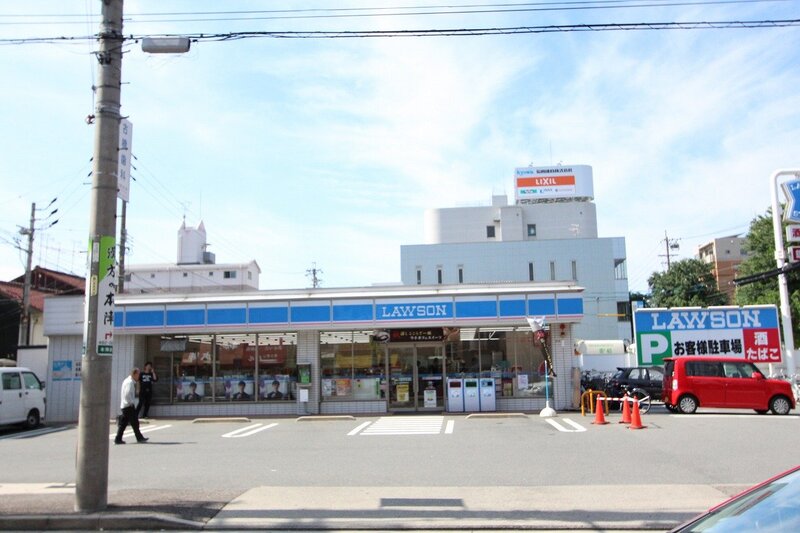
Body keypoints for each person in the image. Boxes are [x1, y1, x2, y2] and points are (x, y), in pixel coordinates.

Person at [114, 368, 148, 444]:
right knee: (135, 422)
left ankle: (118, 438)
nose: (139, 376)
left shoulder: (128, 381)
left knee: (123, 423)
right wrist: (131, 402)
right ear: (134, 374)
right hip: (128, 406)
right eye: (138, 374)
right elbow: (127, 394)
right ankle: (139, 438)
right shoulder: (129, 382)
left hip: (125, 405)